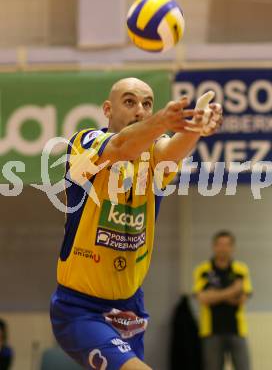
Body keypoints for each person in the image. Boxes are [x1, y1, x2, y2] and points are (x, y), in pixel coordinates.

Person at [50, 77, 223, 370]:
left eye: (147, 104)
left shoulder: (153, 156)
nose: (140, 110)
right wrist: (160, 121)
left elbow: (170, 149)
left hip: (129, 309)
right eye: (129, 102)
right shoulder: (85, 143)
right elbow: (121, 147)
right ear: (107, 109)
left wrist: (195, 129)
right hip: (80, 309)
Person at [193, 230, 253, 370]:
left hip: (237, 329)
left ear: (232, 247)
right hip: (211, 331)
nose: (223, 248)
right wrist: (233, 290)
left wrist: (214, 294)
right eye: (220, 244)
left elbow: (241, 299)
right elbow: (203, 298)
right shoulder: (202, 270)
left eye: (227, 245)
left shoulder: (241, 269)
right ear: (214, 246)